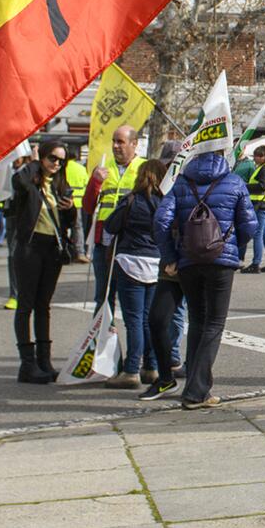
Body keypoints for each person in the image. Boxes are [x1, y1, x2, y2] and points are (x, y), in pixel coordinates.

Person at [152, 137, 257, 410]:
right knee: (214, 323)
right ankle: (196, 391)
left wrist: (169, 256)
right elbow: (250, 224)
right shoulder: (234, 182)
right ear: (223, 152)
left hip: (188, 259)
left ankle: (194, 386)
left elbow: (161, 220)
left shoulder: (181, 181)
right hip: (221, 259)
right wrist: (236, 246)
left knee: (197, 320)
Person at [103, 158, 169, 390]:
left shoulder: (131, 200)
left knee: (134, 320)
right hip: (155, 262)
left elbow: (110, 226)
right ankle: (151, 367)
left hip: (130, 261)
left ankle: (131, 369)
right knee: (149, 319)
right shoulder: (165, 202)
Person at [6, 144, 68, 384]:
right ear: (42, 157)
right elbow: (18, 182)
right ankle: (27, 364)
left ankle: (44, 361)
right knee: (26, 305)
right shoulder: (30, 180)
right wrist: (32, 162)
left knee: (44, 305)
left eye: (61, 161)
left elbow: (67, 220)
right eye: (52, 158)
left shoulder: (59, 184)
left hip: (52, 248)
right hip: (30, 247)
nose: (57, 164)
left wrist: (70, 209)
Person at [92, 127, 144, 307]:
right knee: (103, 297)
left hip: (131, 242)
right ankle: (103, 334)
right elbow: (88, 206)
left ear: (134, 144)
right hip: (105, 242)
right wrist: (95, 182)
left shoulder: (143, 168)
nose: (115, 146)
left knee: (132, 302)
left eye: (120, 142)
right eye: (113, 141)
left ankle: (134, 336)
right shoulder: (103, 168)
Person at [242, 145, 265, 273]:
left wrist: (245, 186)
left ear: (264, 156)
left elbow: (263, 185)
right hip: (263, 204)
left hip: (260, 204)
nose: (255, 158)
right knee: (264, 234)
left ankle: (256, 263)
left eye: (257, 156)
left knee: (258, 234)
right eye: (255, 156)